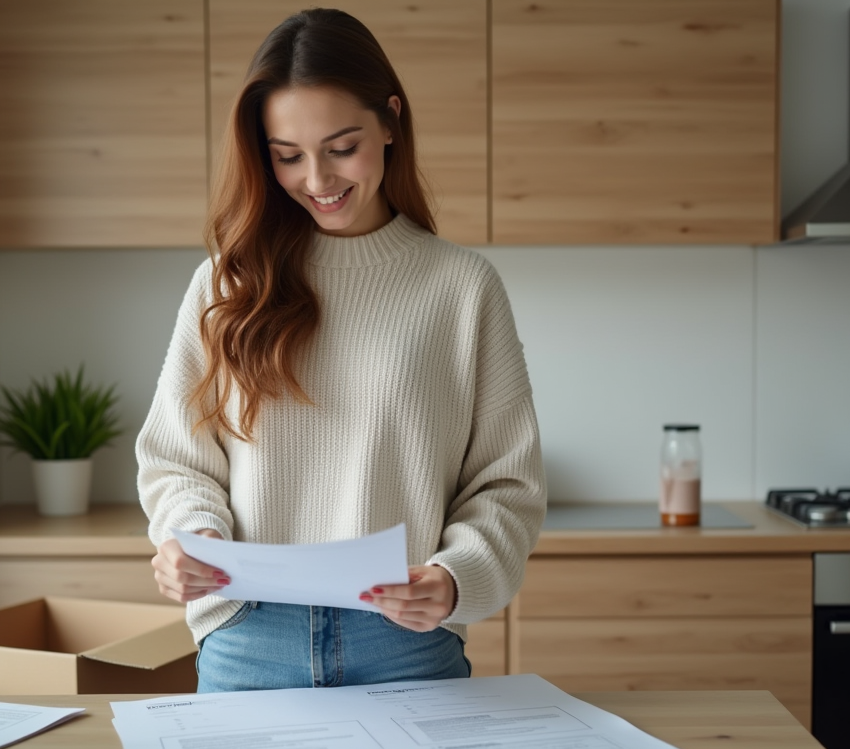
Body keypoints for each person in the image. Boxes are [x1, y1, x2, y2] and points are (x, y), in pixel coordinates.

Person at [136, 8, 546, 693]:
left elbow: (506, 485)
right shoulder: (226, 283)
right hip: (249, 635)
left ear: (390, 121)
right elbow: (179, 461)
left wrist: (454, 579)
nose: (317, 179)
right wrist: (189, 540)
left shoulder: (462, 288)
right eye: (287, 155)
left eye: (341, 146)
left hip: (406, 639)